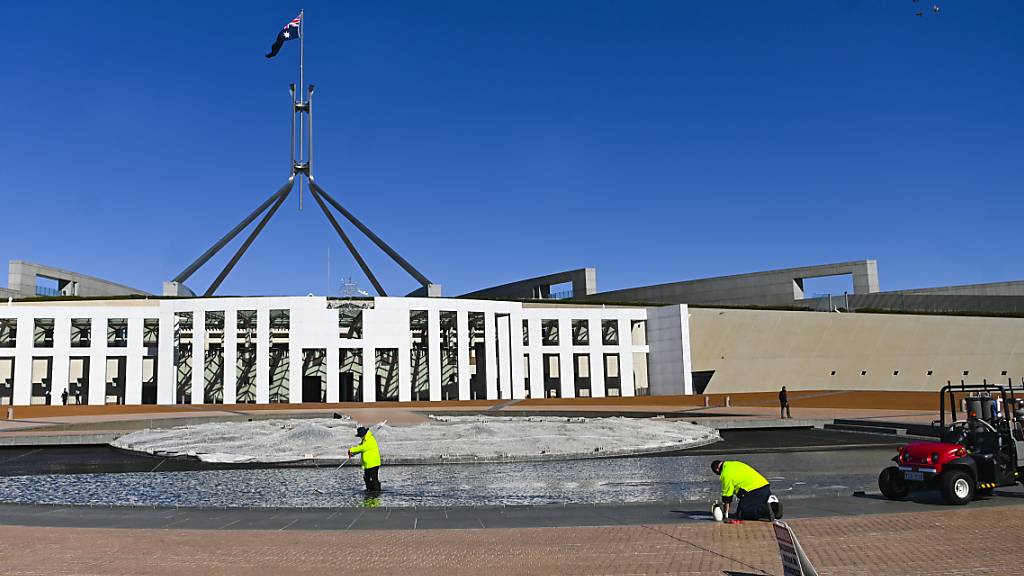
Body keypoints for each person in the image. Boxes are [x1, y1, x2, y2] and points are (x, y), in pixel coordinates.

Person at [710, 460, 782, 521]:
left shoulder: (725, 474)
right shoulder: (734, 463)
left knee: (742, 513)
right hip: (764, 485)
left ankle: (764, 511)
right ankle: (774, 507)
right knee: (757, 504)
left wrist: (725, 514)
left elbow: (727, 497)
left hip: (753, 491)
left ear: (717, 470)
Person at [349, 426, 381, 492]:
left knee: (374, 479)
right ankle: (369, 490)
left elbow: (363, 448)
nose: (360, 437)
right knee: (366, 478)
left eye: (361, 436)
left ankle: (376, 492)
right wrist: (353, 453)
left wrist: (351, 450)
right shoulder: (364, 440)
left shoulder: (370, 439)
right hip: (368, 464)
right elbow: (360, 447)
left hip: (373, 464)